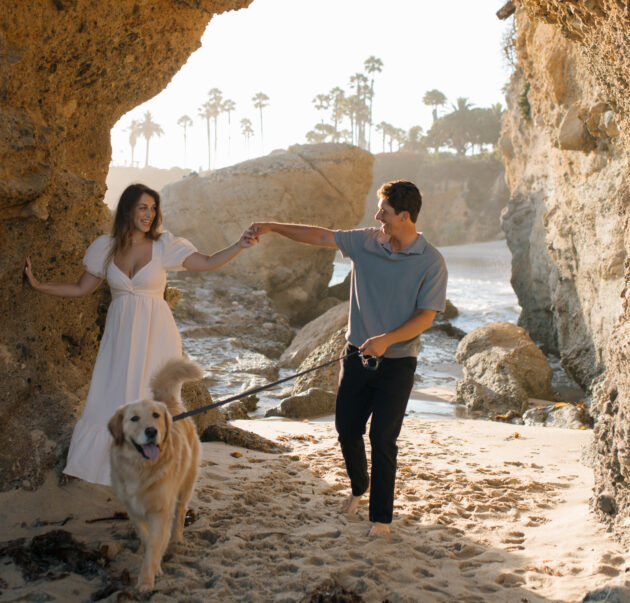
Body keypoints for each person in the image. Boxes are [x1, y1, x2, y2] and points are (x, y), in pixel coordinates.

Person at [249, 180, 447, 537]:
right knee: (347, 431)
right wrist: (273, 226)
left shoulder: (431, 262)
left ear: (404, 216)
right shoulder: (368, 241)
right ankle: (359, 486)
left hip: (398, 363)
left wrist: (386, 340)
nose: (377, 216)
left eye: (383, 211)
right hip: (355, 356)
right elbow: (321, 237)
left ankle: (381, 520)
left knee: (383, 439)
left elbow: (426, 316)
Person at [25, 183, 256, 485]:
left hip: (157, 334)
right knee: (110, 397)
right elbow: (81, 288)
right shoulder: (105, 248)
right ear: (127, 210)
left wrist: (239, 244)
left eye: (153, 208)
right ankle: (105, 471)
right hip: (119, 336)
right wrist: (40, 285)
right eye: (143, 208)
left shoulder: (164, 246)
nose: (149, 215)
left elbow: (207, 262)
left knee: (153, 402)